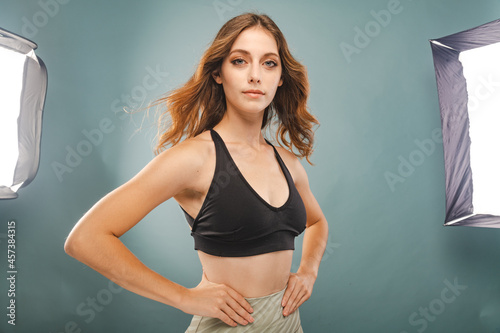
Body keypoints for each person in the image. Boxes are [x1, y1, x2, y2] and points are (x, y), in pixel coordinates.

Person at [65, 12, 329, 332]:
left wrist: (308, 271)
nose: (256, 75)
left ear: (281, 77)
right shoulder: (195, 158)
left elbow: (316, 222)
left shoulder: (288, 162)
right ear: (218, 72)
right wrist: (183, 297)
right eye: (240, 61)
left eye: (269, 63)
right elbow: (85, 239)